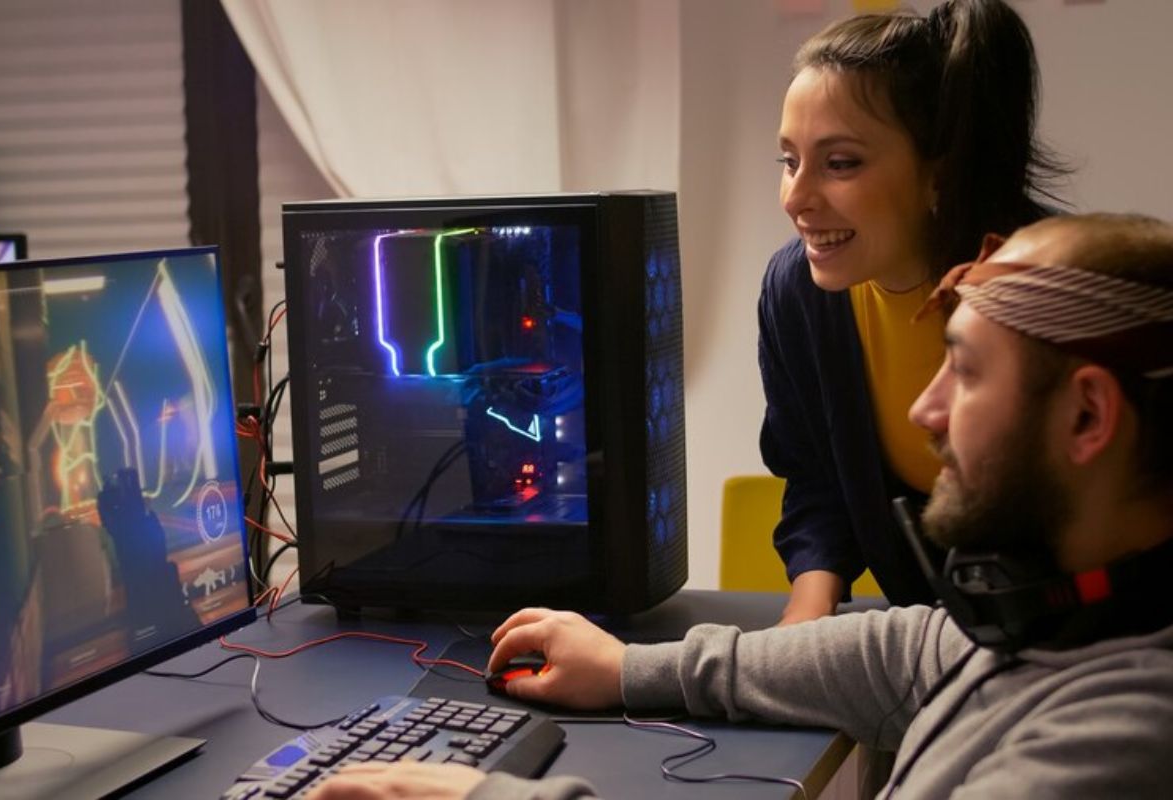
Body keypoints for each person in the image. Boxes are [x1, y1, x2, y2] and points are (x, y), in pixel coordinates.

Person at [307, 212, 1173, 798]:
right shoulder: (1056, 622)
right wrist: (629, 670)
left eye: (969, 374)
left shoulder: (1129, 733)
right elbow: (902, 650)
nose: (925, 410)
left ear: (1088, 416)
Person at [761, 0, 1068, 623]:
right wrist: (807, 612)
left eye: (839, 162)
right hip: (924, 646)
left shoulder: (1049, 288)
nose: (796, 198)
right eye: (788, 161)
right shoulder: (796, 292)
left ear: (939, 172)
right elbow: (817, 479)